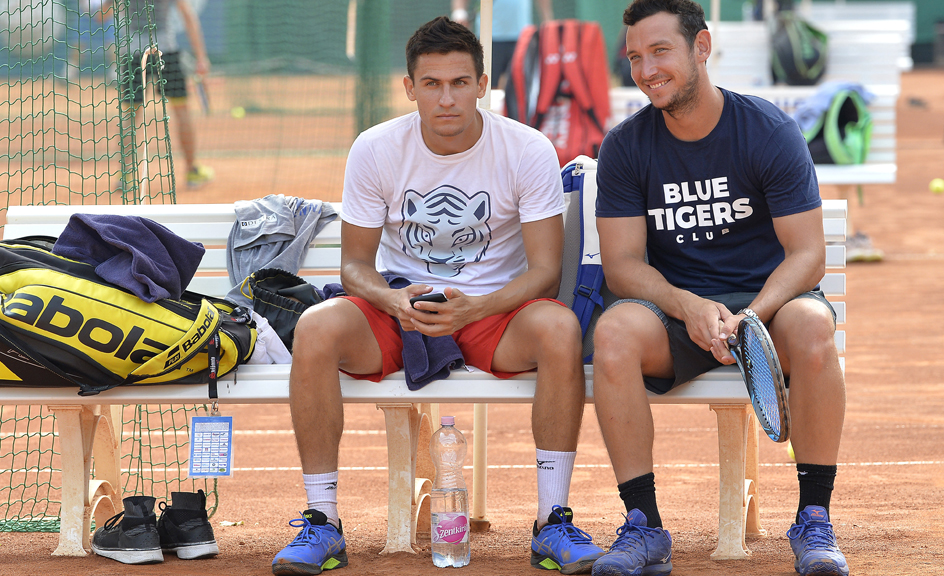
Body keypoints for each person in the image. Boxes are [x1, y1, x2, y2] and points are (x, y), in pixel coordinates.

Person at [271, 16, 604, 576]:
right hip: (405, 308)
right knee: (317, 327)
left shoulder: (527, 148)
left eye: (458, 82)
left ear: (482, 84)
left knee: (559, 328)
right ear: (410, 87)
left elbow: (545, 272)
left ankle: (554, 520)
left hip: (492, 312)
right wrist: (393, 299)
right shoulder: (376, 148)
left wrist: (477, 306)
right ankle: (321, 521)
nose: (446, 98)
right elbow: (354, 265)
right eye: (431, 84)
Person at [589, 1, 849, 576]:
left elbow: (808, 254)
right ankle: (643, 527)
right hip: (680, 315)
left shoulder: (768, 130)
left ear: (701, 47)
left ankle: (814, 520)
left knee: (813, 326)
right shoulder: (627, 146)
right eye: (635, 57)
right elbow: (623, 265)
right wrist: (690, 308)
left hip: (768, 308)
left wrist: (748, 319)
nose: (646, 69)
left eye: (660, 51)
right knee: (613, 334)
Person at [100, 0, 214, 191]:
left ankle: (125, 176)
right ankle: (192, 171)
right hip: (164, 51)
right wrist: (201, 57)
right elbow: (187, 16)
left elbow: (101, 16)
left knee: (130, 116)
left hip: (133, 54)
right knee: (181, 111)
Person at [450, 0, 553, 89]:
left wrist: (547, 19)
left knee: (521, 88)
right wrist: (459, 11)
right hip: (489, 37)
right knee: (487, 86)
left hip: (522, 38)